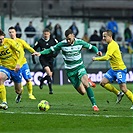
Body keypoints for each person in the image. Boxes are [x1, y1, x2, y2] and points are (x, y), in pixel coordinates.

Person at [32, 29, 102, 111]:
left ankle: (94, 105)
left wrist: (97, 52)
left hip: (79, 67)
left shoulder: (80, 42)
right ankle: (87, 80)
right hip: (70, 71)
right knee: (83, 92)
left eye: (69, 38)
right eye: (67, 39)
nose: (68, 41)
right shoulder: (62, 44)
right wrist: (40, 53)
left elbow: (92, 47)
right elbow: (50, 50)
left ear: (73, 36)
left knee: (86, 84)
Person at [92, 30, 133, 110]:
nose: (103, 38)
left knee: (124, 88)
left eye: (105, 36)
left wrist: (96, 59)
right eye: (103, 36)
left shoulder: (112, 45)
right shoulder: (110, 45)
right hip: (113, 69)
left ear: (110, 37)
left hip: (120, 69)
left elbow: (107, 57)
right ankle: (118, 93)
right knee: (103, 83)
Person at [8, 26, 36, 100]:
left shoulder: (21, 41)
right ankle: (19, 95)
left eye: (13, 32)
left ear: (15, 33)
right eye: (10, 32)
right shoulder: (7, 43)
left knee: (28, 79)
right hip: (14, 66)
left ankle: (30, 94)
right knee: (18, 84)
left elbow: (28, 47)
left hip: (23, 63)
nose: (11, 34)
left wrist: (34, 52)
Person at [0, 29, 24, 110]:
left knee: (18, 90)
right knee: (0, 78)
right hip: (4, 67)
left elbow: (21, 52)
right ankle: (4, 102)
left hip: (15, 68)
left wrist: (18, 63)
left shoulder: (10, 42)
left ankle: (20, 94)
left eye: (2, 39)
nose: (1, 41)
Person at [32, 28, 58, 94]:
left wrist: (55, 54)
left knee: (50, 75)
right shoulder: (40, 41)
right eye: (45, 34)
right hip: (43, 59)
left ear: (49, 34)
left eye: (47, 34)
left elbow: (59, 47)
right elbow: (33, 50)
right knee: (49, 73)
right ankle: (50, 90)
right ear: (43, 34)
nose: (46, 35)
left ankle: (42, 80)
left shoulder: (53, 41)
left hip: (51, 59)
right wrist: (33, 59)